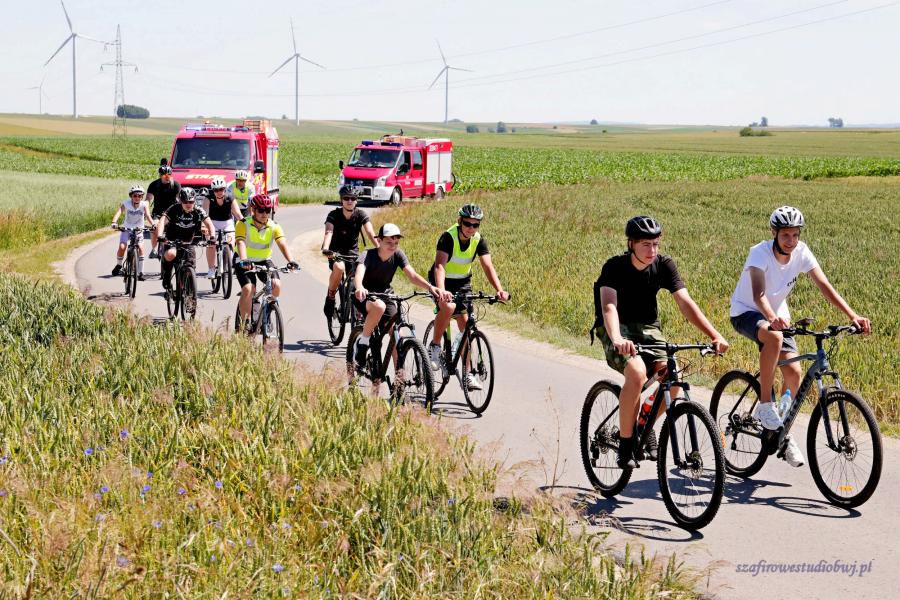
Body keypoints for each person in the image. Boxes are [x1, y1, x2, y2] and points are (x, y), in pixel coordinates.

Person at [729, 206, 871, 467]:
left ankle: (780, 433)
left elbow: (824, 285)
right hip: (746, 311)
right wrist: (771, 318)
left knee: (794, 373)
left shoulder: (802, 252)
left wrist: (853, 315)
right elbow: (759, 294)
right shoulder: (759, 253)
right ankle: (765, 405)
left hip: (777, 315)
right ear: (774, 233)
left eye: (795, 235)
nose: (791, 241)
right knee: (774, 338)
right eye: (786, 235)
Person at [594, 216, 729, 469]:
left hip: (648, 329)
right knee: (636, 372)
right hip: (616, 328)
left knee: (674, 377)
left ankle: (644, 422)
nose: (652, 251)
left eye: (656, 244)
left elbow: (685, 303)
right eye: (646, 244)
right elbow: (609, 306)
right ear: (631, 244)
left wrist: (715, 334)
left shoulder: (664, 265)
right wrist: (617, 339)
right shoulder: (614, 267)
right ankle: (626, 445)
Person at [426, 203, 510, 389]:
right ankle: (435, 346)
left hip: (462, 283)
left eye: (475, 225)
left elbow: (487, 266)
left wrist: (499, 290)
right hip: (442, 281)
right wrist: (441, 291)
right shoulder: (448, 237)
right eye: (467, 223)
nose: (471, 228)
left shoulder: (478, 240)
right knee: (448, 307)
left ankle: (468, 374)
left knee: (465, 326)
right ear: (459, 221)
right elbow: (439, 266)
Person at [352, 223, 450, 368]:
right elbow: (359, 274)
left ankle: (400, 376)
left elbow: (412, 275)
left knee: (398, 335)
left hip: (385, 295)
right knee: (379, 307)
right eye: (388, 242)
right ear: (379, 240)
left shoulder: (397, 255)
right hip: (364, 295)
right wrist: (360, 287)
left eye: (396, 243)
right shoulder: (368, 255)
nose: (393, 246)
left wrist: (430, 287)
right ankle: (363, 342)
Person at [234, 194, 299, 326]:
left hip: (264, 260)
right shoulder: (242, 224)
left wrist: (291, 261)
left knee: (276, 285)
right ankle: (244, 324)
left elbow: (282, 243)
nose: (264, 214)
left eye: (267, 210)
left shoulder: (274, 226)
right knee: (249, 289)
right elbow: (240, 243)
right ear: (253, 210)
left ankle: (267, 316)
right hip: (244, 260)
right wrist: (244, 260)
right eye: (261, 210)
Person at [321, 185, 379, 318]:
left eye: (353, 198)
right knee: (339, 267)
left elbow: (370, 232)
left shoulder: (360, 214)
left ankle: (358, 307)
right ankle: (331, 296)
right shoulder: (334, 215)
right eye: (346, 198)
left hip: (353, 253)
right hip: (335, 252)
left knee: (359, 274)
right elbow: (329, 232)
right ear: (341, 200)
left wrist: (378, 247)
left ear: (356, 200)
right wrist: (326, 248)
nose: (349, 201)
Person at [156, 188, 214, 295]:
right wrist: (160, 236)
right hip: (172, 240)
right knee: (171, 254)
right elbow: (162, 222)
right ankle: (167, 276)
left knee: (190, 267)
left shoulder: (198, 210)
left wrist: (212, 238)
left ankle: (190, 296)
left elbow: (210, 224)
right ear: (180, 201)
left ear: (194, 201)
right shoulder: (174, 208)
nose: (188, 204)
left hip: (188, 242)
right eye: (185, 202)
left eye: (191, 202)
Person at [110, 185, 154, 279]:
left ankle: (140, 272)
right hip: (127, 229)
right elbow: (119, 212)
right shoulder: (126, 203)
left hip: (138, 229)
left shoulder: (144, 204)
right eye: (135, 195)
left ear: (142, 197)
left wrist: (153, 224)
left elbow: (148, 215)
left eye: (139, 196)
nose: (137, 197)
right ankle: (119, 265)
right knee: (122, 247)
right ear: (131, 196)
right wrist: (114, 222)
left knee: (141, 248)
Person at [202, 176, 243, 279]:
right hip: (212, 223)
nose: (219, 192)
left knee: (230, 242)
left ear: (225, 189)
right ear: (213, 191)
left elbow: (238, 214)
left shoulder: (230, 198)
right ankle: (211, 269)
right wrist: (204, 227)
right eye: (216, 190)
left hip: (227, 223)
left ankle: (228, 260)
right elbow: (204, 215)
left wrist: (245, 223)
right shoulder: (208, 198)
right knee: (211, 244)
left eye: (221, 189)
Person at [147, 164, 182, 258]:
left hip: (171, 213)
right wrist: (144, 209)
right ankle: (154, 249)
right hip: (158, 213)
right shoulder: (154, 185)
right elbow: (148, 199)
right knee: (154, 227)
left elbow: (180, 200)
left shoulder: (176, 185)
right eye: (164, 175)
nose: (167, 176)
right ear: (160, 175)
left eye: (169, 174)